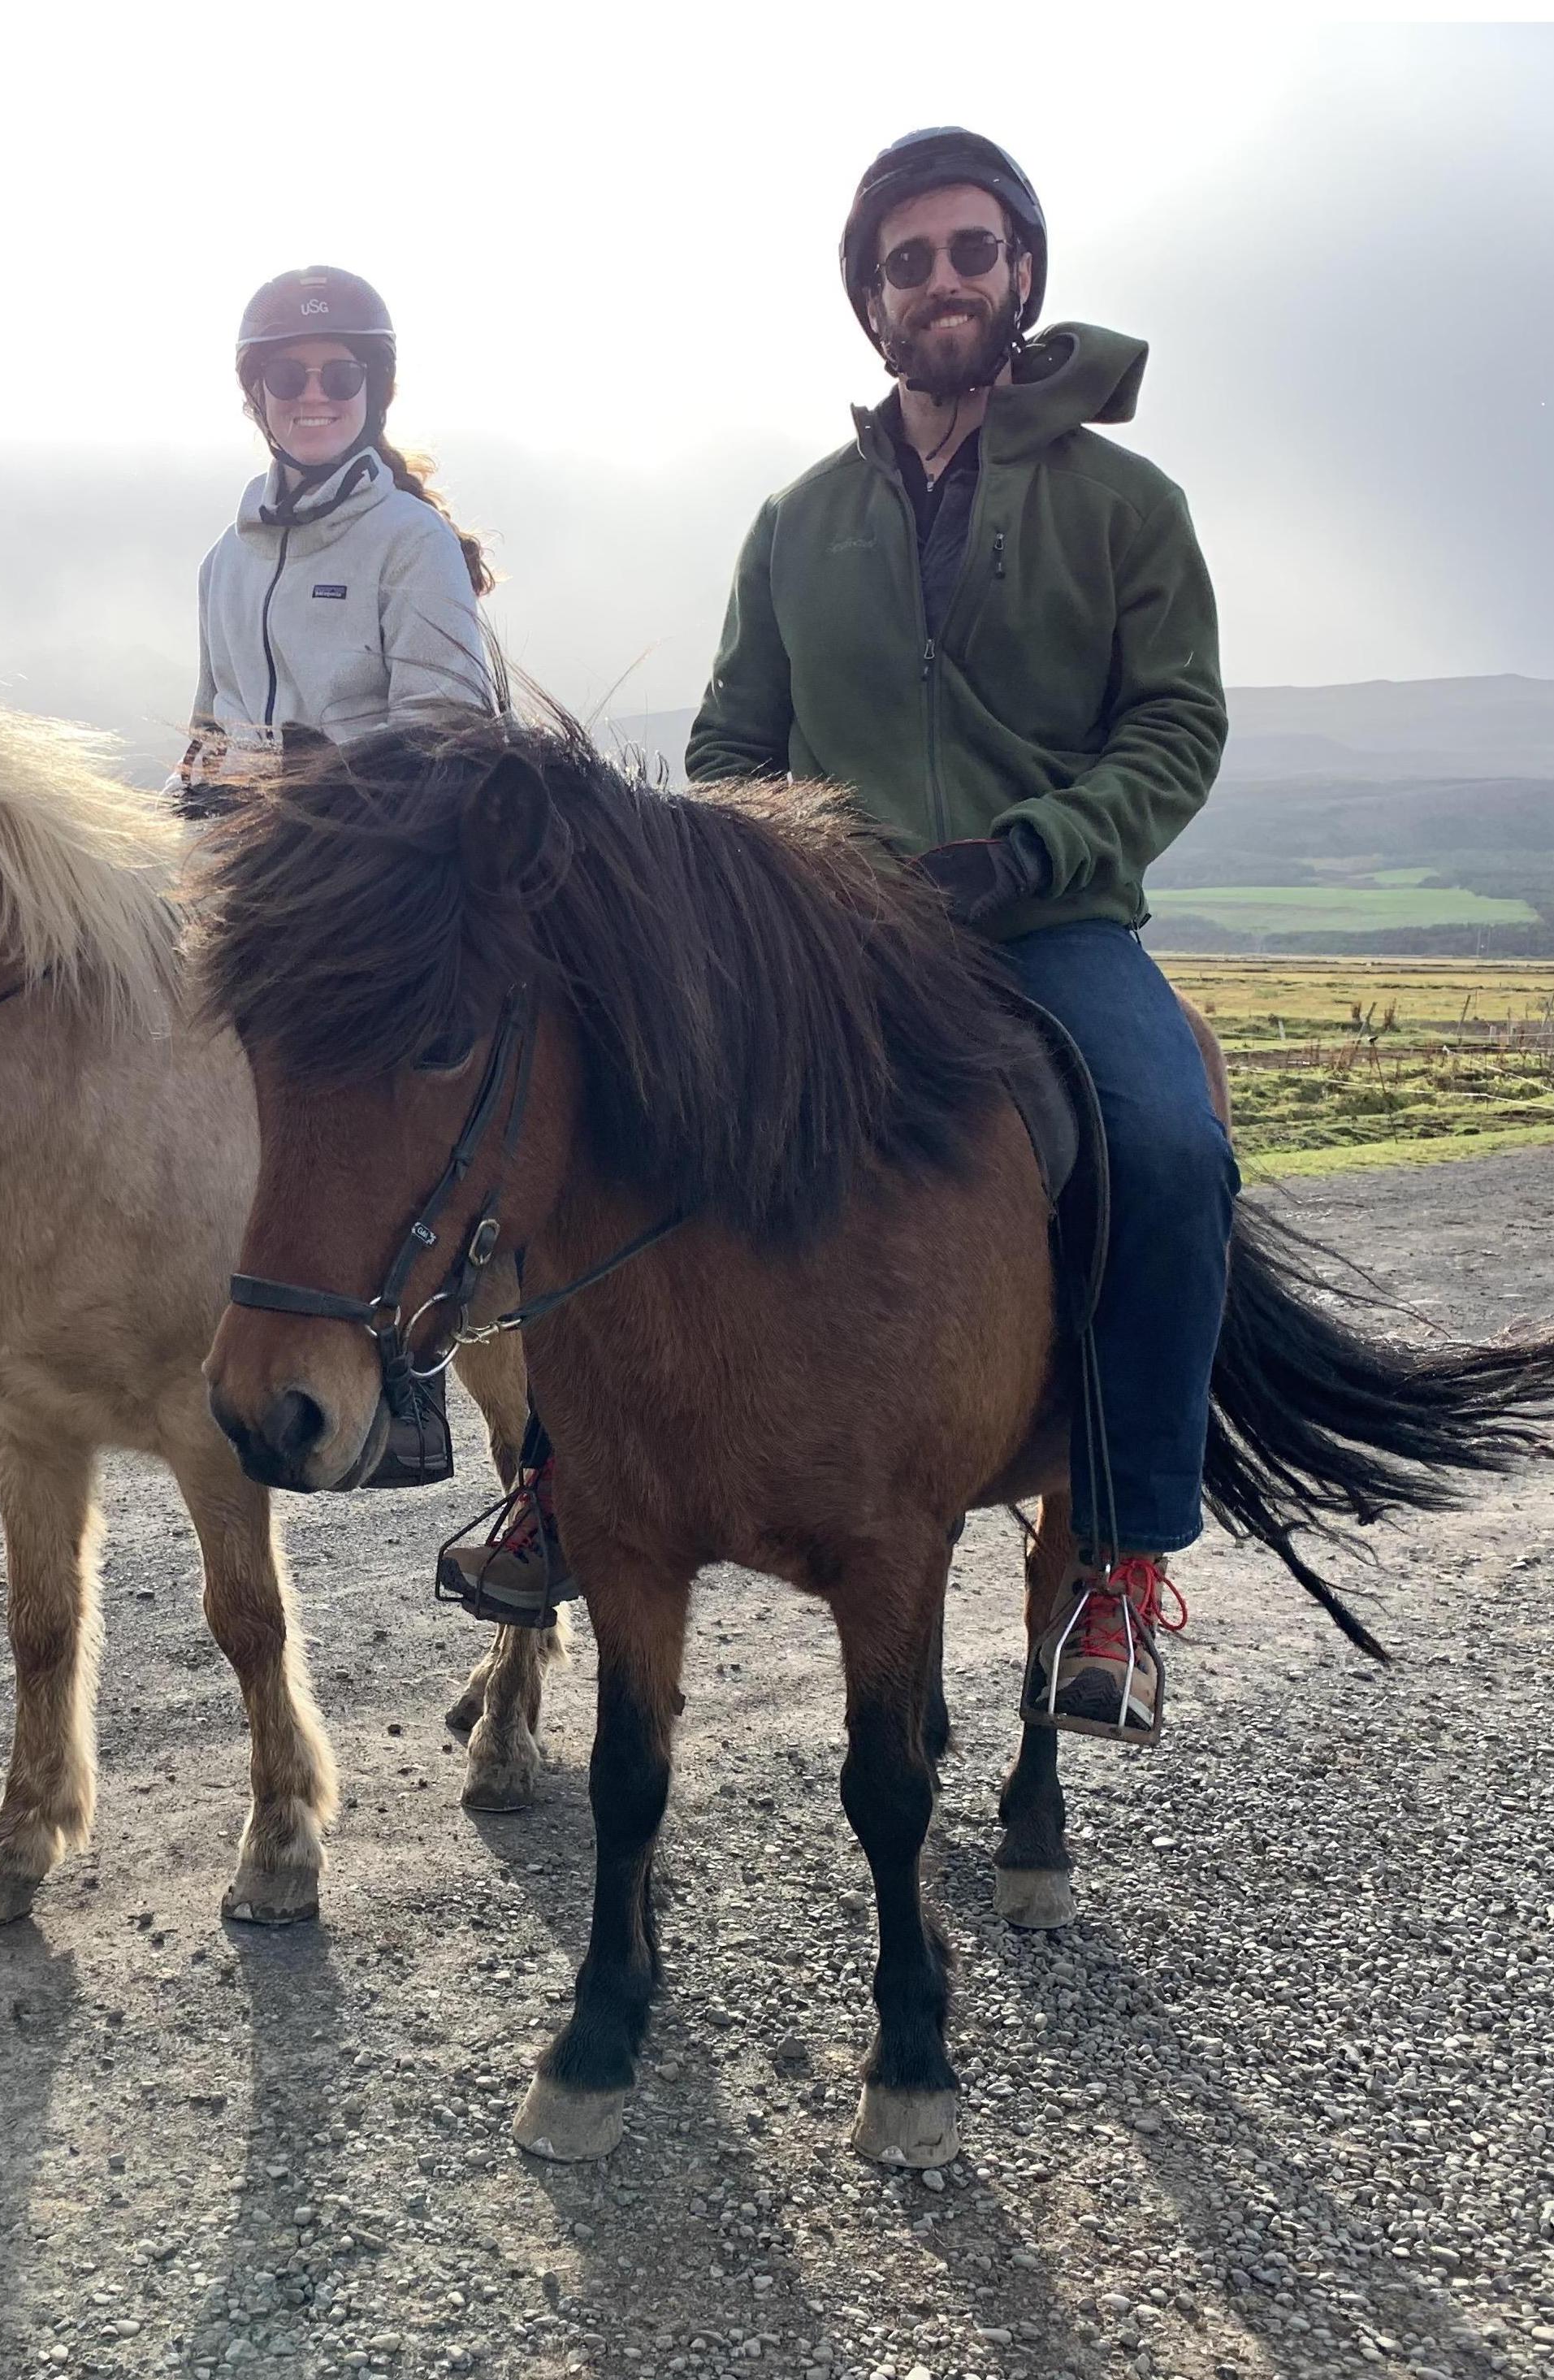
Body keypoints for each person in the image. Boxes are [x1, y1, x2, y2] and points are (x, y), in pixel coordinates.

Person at [445, 132, 1236, 1751]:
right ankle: (560, 1481)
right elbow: (733, 741)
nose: (939, 281)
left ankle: (1119, 1557)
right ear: (869, 303)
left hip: (1047, 922)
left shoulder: (1125, 507)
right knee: (597, 1104)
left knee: (1169, 1144)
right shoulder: (797, 521)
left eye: (968, 250)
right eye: (904, 261)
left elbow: (1173, 729)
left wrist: (1034, 847)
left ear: (1021, 271)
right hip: (832, 940)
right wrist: (786, 880)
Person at [175, 267, 496, 813]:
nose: (313, 393)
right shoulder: (224, 561)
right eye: (286, 376)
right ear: (257, 394)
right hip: (229, 838)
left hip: (363, 847)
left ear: (373, 391)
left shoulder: (414, 542)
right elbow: (208, 738)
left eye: (341, 377)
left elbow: (446, 745)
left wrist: (315, 800)